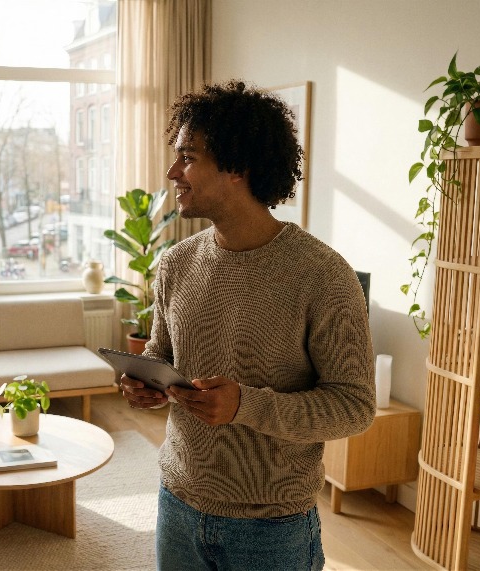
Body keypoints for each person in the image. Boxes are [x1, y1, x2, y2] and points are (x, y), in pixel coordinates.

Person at [118, 80, 375, 571]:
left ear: (238, 168)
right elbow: (161, 352)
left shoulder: (322, 274)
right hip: (177, 502)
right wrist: (144, 379)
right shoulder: (175, 263)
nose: (173, 172)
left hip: (272, 529)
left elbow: (355, 407)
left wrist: (245, 406)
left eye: (188, 157)